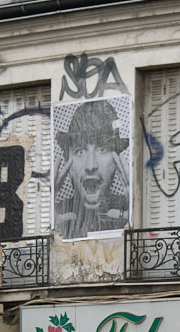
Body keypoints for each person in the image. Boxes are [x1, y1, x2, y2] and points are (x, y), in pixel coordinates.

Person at [54, 100, 130, 238]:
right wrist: (48, 219)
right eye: (80, 151)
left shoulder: (127, 208)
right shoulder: (57, 211)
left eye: (102, 149)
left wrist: (135, 211)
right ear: (67, 162)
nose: (91, 166)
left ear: (116, 160)